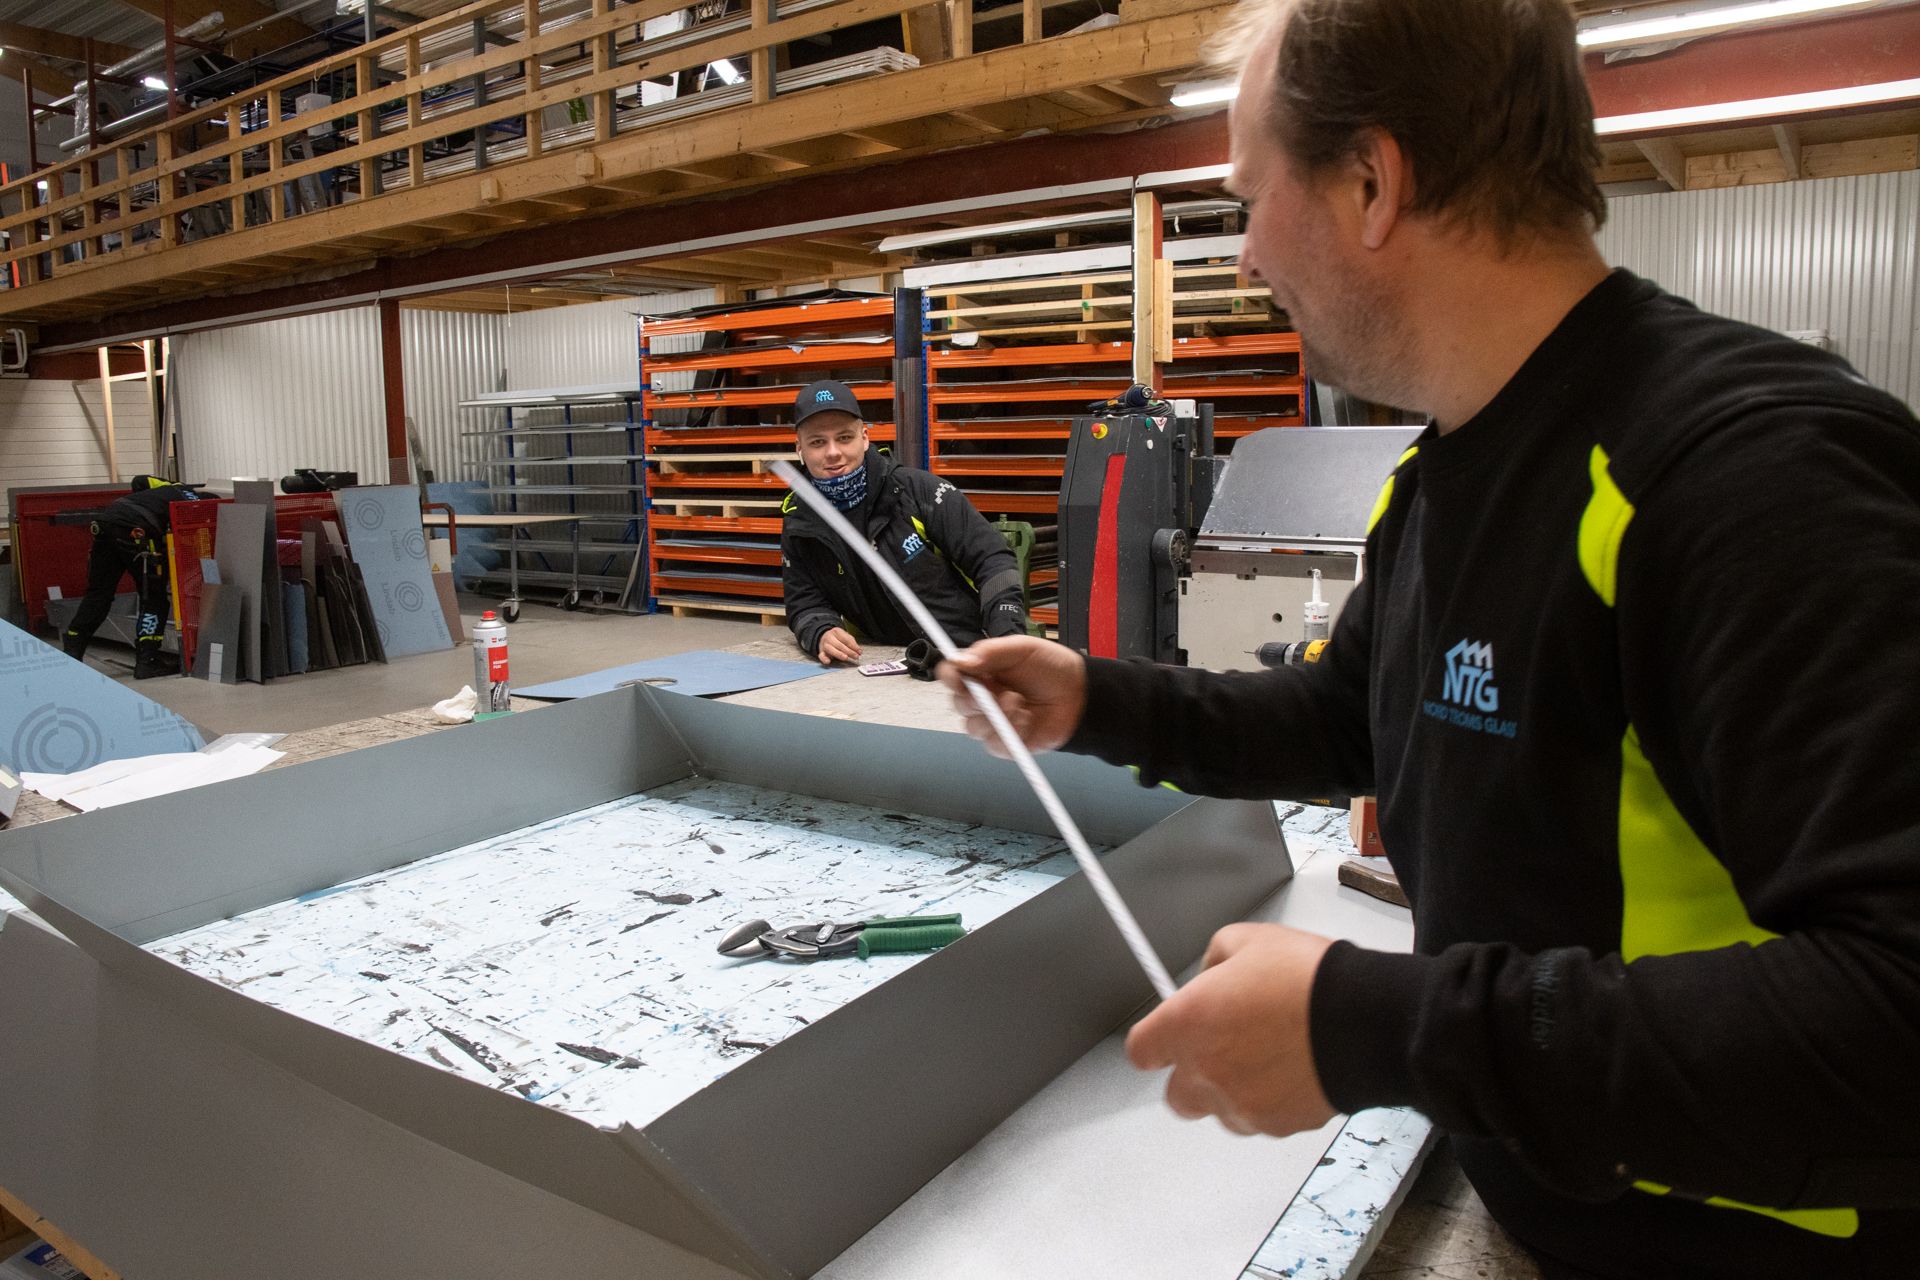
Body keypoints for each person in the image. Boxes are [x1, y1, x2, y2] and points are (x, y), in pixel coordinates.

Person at [939, 0, 1920, 1276]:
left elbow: (1894, 1012)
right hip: (1555, 1210)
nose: (1248, 255)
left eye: (1251, 197)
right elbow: (1350, 714)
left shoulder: (1751, 475)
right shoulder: (1443, 465)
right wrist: (1093, 697)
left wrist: (1375, 1026)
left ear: (1370, 181)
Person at [781, 378, 1028, 666]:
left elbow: (993, 560)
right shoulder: (800, 521)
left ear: (865, 437)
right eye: (817, 442)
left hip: (968, 653)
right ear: (799, 448)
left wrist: (1006, 637)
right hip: (883, 662)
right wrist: (821, 631)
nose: (833, 452)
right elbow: (804, 601)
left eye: (844, 438)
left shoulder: (920, 492)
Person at [63, 474, 202, 678]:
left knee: (98, 593)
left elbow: (139, 480)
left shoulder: (174, 486)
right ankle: (148, 661)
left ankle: (72, 652)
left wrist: (142, 504)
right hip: (137, 530)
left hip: (106, 521)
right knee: (153, 597)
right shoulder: (200, 506)